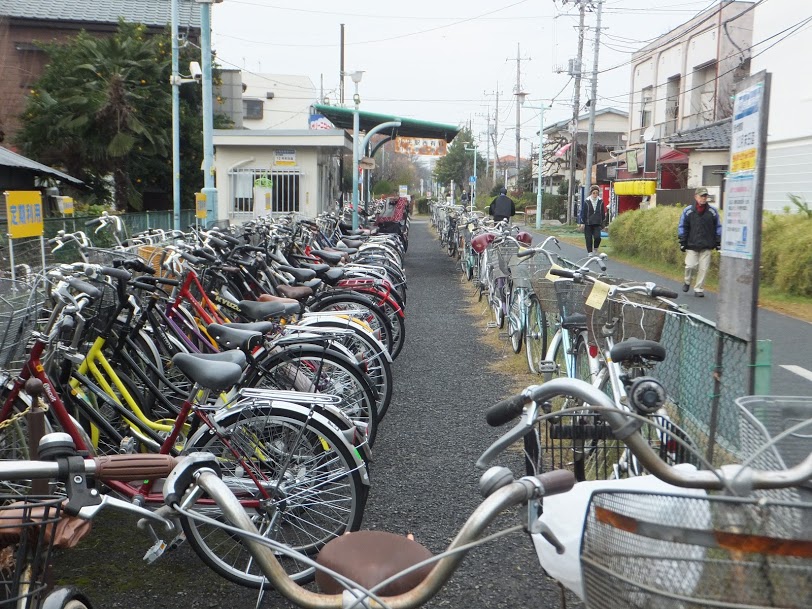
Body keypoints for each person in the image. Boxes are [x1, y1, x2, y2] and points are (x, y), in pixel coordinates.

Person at [677, 186, 722, 298]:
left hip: (706, 245)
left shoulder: (712, 212)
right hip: (692, 245)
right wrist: (682, 241)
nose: (703, 198)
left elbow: (718, 227)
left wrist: (718, 241)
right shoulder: (688, 211)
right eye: (701, 196)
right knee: (690, 266)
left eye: (705, 196)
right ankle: (687, 281)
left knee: (703, 269)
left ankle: (698, 289)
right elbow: (682, 226)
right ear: (696, 197)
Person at [578, 185, 606, 254]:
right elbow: (583, 212)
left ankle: (595, 248)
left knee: (597, 237)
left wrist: (603, 223)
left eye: (596, 193)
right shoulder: (587, 201)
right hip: (588, 222)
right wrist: (582, 223)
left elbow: (603, 212)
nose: (595, 194)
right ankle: (589, 252)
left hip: (597, 222)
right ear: (591, 193)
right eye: (594, 193)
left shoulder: (601, 201)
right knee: (588, 238)